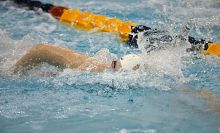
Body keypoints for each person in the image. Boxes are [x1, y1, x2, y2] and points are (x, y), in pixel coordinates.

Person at [13, 44, 142, 73]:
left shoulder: (105, 70)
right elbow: (40, 49)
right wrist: (12, 72)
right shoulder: (91, 68)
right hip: (39, 52)